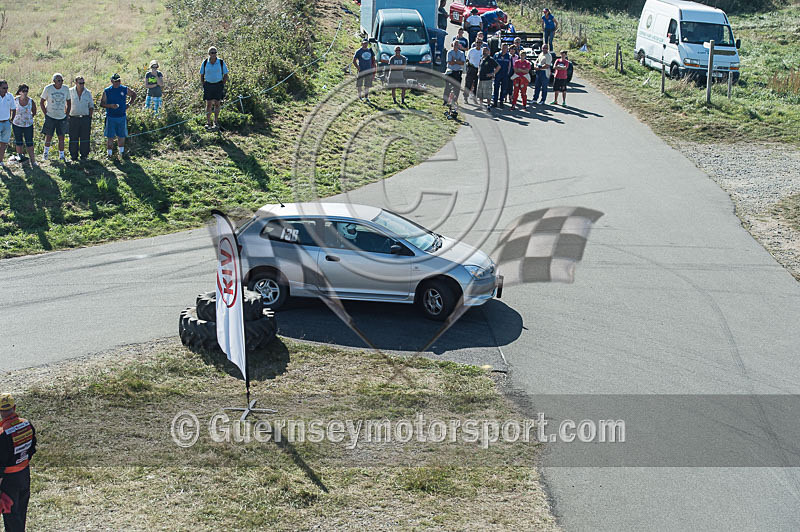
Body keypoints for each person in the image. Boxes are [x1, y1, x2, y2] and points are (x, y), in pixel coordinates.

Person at [0, 393, 36, 532]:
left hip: (9, 480)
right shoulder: (27, 424)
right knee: (21, 512)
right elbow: (32, 448)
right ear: (14, 407)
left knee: (11, 516)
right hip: (24, 474)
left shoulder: (2, 434)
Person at [100, 73, 136, 158]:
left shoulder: (124, 89)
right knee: (110, 137)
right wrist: (110, 106)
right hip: (111, 117)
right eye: (115, 81)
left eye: (119, 81)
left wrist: (129, 104)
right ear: (112, 81)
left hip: (121, 116)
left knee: (121, 136)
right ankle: (109, 154)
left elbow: (133, 95)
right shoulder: (107, 91)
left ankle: (121, 153)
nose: (117, 83)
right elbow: (102, 104)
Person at [40, 73, 70, 162]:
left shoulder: (66, 89)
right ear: (54, 81)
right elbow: (42, 102)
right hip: (50, 116)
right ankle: (45, 154)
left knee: (61, 137)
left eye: (62, 80)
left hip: (61, 117)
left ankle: (61, 155)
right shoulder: (48, 88)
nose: (61, 82)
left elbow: (69, 102)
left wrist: (67, 114)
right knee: (49, 136)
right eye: (59, 80)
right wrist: (45, 114)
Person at [200, 46, 228, 130]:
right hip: (208, 85)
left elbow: (225, 74)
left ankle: (215, 122)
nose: (214, 54)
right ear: (209, 54)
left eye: (215, 52)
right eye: (212, 52)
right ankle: (208, 122)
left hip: (218, 85)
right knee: (208, 104)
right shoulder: (205, 62)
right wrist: (203, 84)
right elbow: (202, 74)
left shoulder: (221, 62)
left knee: (217, 103)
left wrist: (222, 84)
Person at [68, 75, 94, 162]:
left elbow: (91, 106)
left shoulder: (88, 93)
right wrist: (67, 116)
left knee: (85, 138)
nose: (82, 85)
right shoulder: (70, 91)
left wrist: (89, 117)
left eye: (83, 83)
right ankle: (73, 156)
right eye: (80, 83)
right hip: (73, 118)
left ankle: (84, 156)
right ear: (75, 83)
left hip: (85, 118)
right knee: (73, 137)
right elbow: (66, 104)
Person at [10, 85, 36, 166]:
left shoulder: (31, 101)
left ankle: (33, 161)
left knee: (29, 142)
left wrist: (29, 118)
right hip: (17, 124)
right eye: (23, 91)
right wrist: (11, 119)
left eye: (26, 91)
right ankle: (20, 158)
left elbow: (34, 111)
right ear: (20, 92)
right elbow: (11, 110)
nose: (25, 92)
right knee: (18, 142)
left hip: (28, 125)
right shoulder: (15, 100)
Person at [443, 39, 465, 106]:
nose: (456, 46)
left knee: (457, 88)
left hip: (458, 72)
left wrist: (455, 60)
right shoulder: (449, 52)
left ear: (459, 46)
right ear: (452, 45)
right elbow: (450, 62)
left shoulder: (461, 53)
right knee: (448, 87)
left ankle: (454, 101)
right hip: (450, 72)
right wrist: (458, 61)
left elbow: (462, 63)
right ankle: (445, 101)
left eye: (457, 45)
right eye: (455, 44)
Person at [492, 43, 513, 108]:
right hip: (497, 74)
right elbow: (493, 64)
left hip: (505, 74)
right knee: (496, 88)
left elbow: (510, 66)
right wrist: (493, 73)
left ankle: (501, 101)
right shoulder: (496, 55)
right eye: (503, 47)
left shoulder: (509, 56)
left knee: (504, 89)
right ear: (501, 47)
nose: (504, 49)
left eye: (506, 48)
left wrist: (508, 74)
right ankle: (495, 102)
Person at [464, 40, 483, 104]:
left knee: (476, 84)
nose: (478, 44)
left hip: (479, 69)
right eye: (477, 42)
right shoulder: (471, 50)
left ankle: (475, 98)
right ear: (475, 43)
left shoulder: (482, 51)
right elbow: (467, 59)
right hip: (471, 68)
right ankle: (465, 97)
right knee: (468, 83)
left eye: (480, 43)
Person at [0, 81, 13, 168]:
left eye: (7, 88)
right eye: (4, 88)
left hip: (6, 122)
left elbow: (13, 108)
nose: (6, 90)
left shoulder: (10, 96)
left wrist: (11, 120)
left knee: (4, 143)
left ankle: (1, 161)